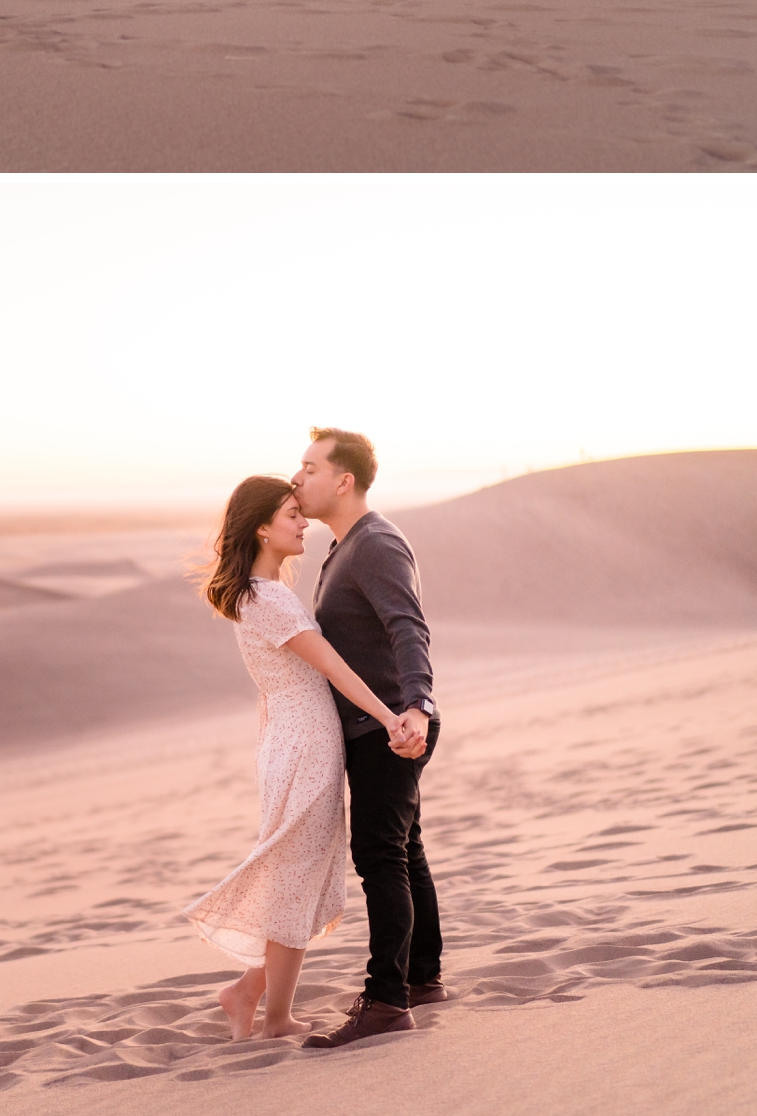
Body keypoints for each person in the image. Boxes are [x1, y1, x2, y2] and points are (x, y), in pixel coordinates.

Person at [185, 475, 411, 1042]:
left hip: (295, 740)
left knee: (297, 875)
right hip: (304, 744)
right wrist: (390, 718)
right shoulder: (267, 597)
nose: (303, 522)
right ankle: (274, 1017)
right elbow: (332, 666)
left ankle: (250, 994)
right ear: (262, 527)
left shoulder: (259, 594)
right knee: (293, 877)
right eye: (291, 513)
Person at [291, 426, 446, 1049]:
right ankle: (422, 979)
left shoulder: (374, 543)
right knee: (404, 850)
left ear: (343, 480)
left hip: (389, 726)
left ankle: (386, 1002)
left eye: (309, 467)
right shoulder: (346, 546)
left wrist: (417, 707)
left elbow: (409, 626)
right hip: (382, 723)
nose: (297, 477)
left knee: (380, 856)